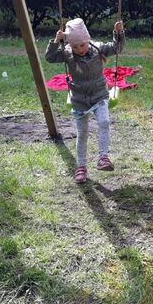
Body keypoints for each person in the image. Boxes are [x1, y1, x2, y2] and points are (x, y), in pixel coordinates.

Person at [46, 18, 124, 183]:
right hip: (79, 99)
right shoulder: (67, 53)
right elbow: (50, 57)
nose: (79, 49)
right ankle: (81, 167)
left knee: (104, 122)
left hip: (99, 94)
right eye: (75, 46)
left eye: (82, 45)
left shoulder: (97, 48)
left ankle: (103, 158)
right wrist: (56, 40)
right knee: (82, 133)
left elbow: (117, 47)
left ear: (87, 40)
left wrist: (118, 33)